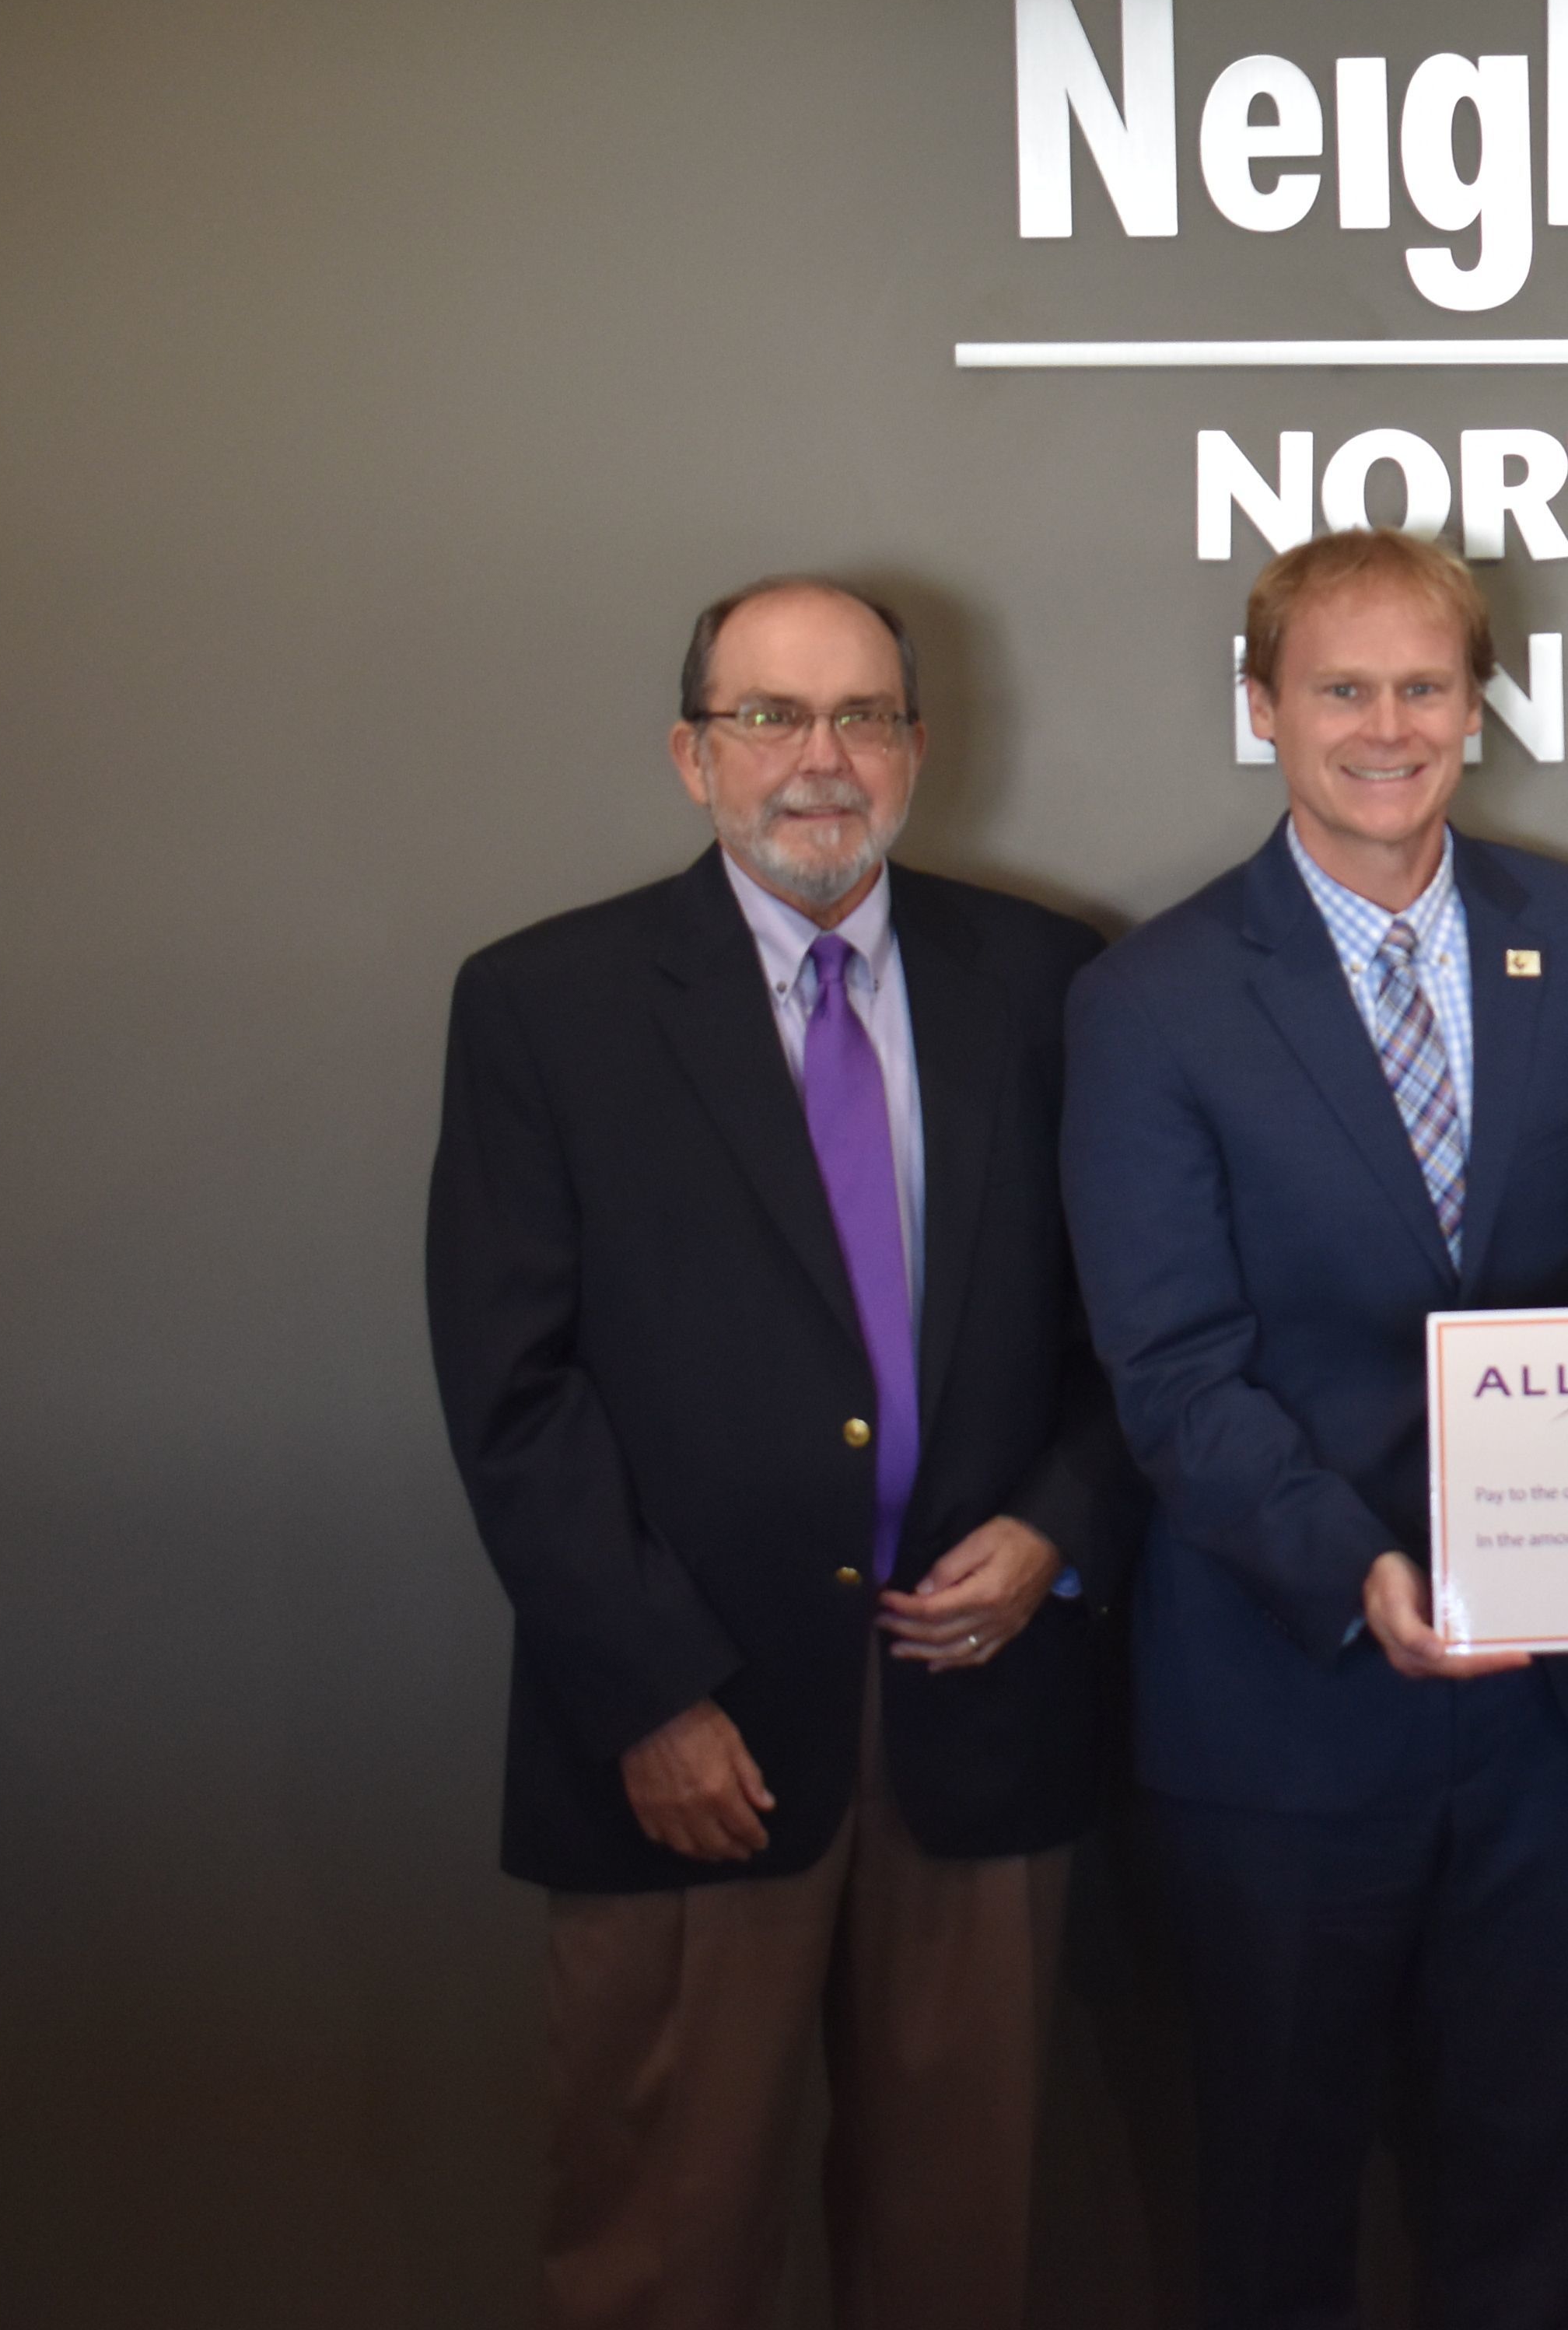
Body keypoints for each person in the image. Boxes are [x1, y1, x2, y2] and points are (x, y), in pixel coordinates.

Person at [425, 575, 1132, 2330]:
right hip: (691, 1730)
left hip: (979, 1708)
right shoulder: (545, 1002)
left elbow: (1139, 1333)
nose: (821, 760)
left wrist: (1058, 1528)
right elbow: (510, 1391)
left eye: (862, 716)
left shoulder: (1052, 983)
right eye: (770, 717)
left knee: (959, 2246)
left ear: (914, 745)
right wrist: (649, 1691)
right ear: (691, 753)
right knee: (662, 2247)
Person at [1059, 528, 1568, 2330]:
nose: (1387, 725)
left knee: (1525, 2197)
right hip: (1282, 1701)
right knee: (1276, 2210)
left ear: (1476, 703)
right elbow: (1171, 1367)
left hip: (1548, 1708)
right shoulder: (1149, 999)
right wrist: (1359, 1561)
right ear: (1262, 708)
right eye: (1341, 686)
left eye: (1423, 684)